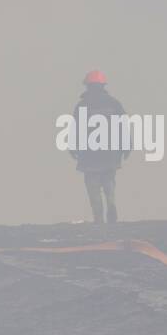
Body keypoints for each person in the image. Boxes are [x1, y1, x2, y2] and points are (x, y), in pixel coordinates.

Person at [70, 70, 128, 223]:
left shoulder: (82, 106)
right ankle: (111, 204)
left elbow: (75, 129)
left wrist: (73, 148)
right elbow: (124, 127)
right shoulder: (114, 104)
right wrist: (126, 147)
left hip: (89, 156)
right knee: (109, 183)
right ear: (103, 85)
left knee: (93, 187)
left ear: (87, 86)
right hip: (110, 154)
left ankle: (98, 218)